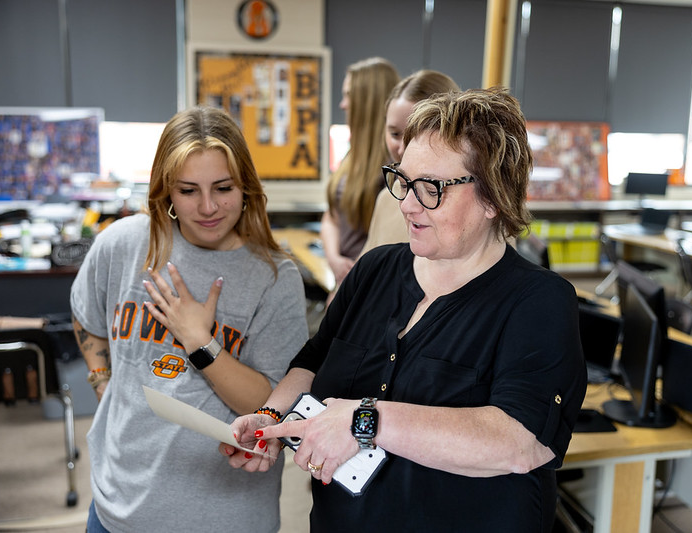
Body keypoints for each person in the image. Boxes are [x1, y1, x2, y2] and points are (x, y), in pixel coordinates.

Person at [219, 88, 587, 532]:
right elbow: (314, 361)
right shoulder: (375, 269)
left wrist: (364, 420)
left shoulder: (539, 302)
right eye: (404, 181)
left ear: (494, 197)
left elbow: (519, 441)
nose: (407, 204)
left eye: (431, 188)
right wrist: (273, 419)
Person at [70, 106, 309, 533]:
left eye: (223, 188)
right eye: (188, 190)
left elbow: (270, 404)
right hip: (116, 508)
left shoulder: (274, 278)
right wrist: (103, 382)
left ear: (245, 186)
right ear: (166, 190)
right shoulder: (122, 244)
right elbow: (84, 315)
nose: (208, 207)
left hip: (224, 516)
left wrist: (201, 343)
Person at [360, 69, 460, 254]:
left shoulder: (470, 206)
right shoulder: (387, 198)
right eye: (395, 134)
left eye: (415, 135)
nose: (402, 149)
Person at [320, 57, 399, 290]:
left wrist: (352, 277)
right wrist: (334, 259)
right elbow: (331, 216)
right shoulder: (352, 156)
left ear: (367, 101)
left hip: (369, 284)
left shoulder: (392, 167)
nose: (342, 104)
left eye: (348, 95)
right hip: (346, 280)